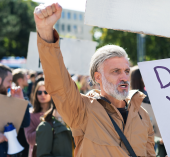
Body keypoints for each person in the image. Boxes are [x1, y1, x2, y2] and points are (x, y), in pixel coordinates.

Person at [34, 3, 156, 157]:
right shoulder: (83, 111)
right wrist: (45, 32)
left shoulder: (141, 114)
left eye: (126, 71)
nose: (124, 76)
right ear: (98, 77)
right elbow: (59, 84)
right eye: (115, 71)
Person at [0, 61, 30, 157]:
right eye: (9, 81)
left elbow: (25, 123)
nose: (11, 85)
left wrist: (21, 101)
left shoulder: (8, 99)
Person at [24, 81, 52, 157]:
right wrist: (45, 125)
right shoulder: (30, 115)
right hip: (37, 154)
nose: (43, 95)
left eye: (46, 92)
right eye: (39, 92)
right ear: (36, 95)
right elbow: (30, 140)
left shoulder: (57, 114)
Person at [12, 69, 33, 157]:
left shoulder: (22, 93)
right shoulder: (14, 95)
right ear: (20, 80)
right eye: (25, 77)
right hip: (20, 134)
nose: (28, 78)